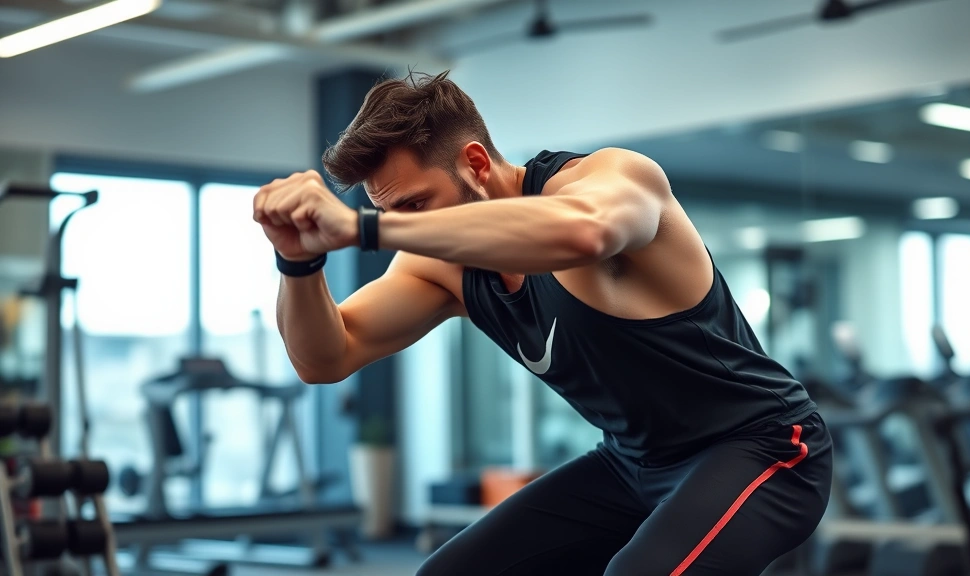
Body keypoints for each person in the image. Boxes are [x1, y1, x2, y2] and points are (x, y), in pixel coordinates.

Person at [253, 71, 832, 576]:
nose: (402, 225)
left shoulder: (608, 179)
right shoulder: (443, 266)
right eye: (386, 211)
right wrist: (297, 262)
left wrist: (364, 230)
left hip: (765, 447)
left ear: (476, 164)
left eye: (413, 205)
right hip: (632, 462)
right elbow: (325, 357)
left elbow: (585, 233)